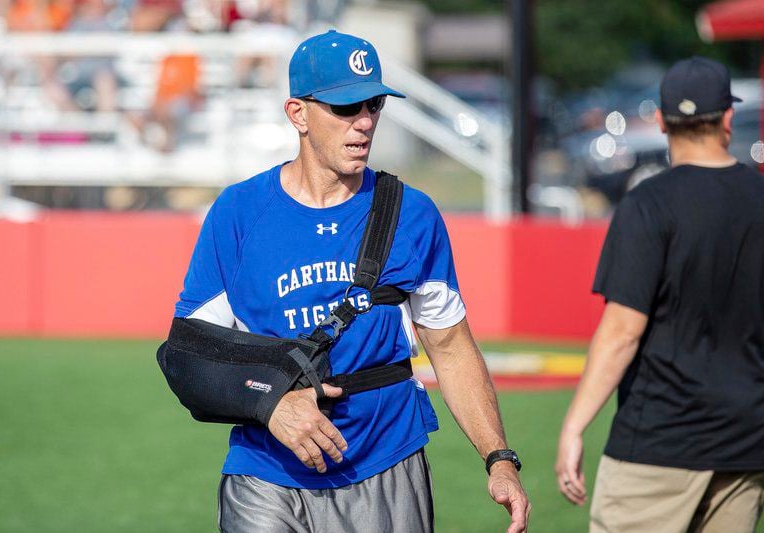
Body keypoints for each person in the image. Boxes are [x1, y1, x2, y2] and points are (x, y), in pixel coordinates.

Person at [171, 30, 529, 533]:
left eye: (373, 104)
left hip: (384, 463)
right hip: (265, 471)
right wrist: (266, 401)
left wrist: (500, 459)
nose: (364, 123)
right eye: (345, 108)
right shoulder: (239, 212)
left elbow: (449, 347)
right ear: (298, 114)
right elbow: (189, 352)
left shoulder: (412, 214)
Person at [555, 56, 764, 532]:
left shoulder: (647, 204)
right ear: (728, 119)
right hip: (746, 443)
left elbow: (622, 333)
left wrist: (573, 427)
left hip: (659, 445)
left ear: (662, 121)